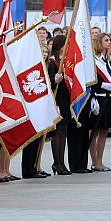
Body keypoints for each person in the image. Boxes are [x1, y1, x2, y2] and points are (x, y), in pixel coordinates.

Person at [89, 33, 111, 172]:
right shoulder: (93, 60)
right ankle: (95, 161)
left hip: (107, 98)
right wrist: (101, 85)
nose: (109, 42)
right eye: (106, 40)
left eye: (110, 40)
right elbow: (90, 79)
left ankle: (100, 160)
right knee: (94, 131)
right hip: (98, 97)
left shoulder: (106, 60)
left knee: (104, 130)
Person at [47, 35, 70, 175]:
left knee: (63, 132)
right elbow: (47, 82)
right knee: (57, 132)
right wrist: (54, 79)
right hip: (57, 100)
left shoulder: (65, 61)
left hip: (65, 99)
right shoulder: (52, 62)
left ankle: (62, 162)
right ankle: (57, 162)